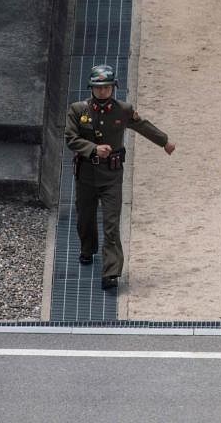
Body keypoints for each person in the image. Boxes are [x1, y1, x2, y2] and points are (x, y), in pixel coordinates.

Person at [65, 65, 176, 290]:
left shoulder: (123, 110)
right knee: (85, 218)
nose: (103, 92)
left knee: (111, 224)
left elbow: (142, 125)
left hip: (111, 176)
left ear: (113, 88)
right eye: (99, 88)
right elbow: (70, 138)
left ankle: (111, 271)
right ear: (92, 88)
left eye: (107, 87)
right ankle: (87, 249)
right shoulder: (78, 110)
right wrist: (93, 149)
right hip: (86, 174)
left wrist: (164, 141)